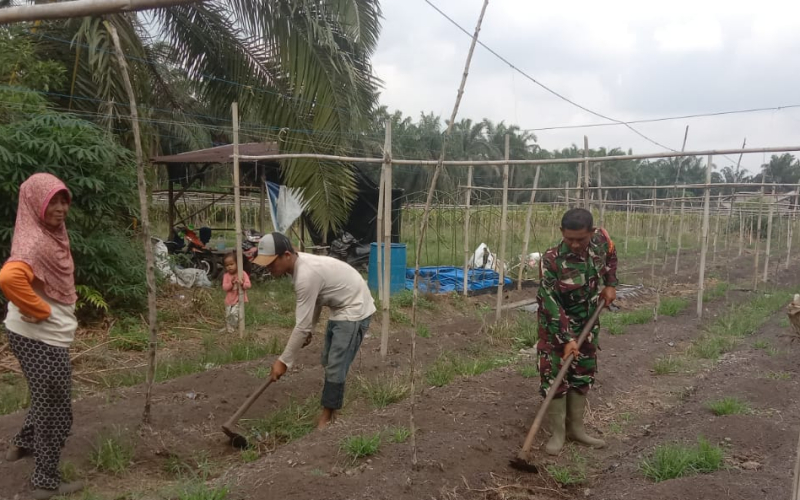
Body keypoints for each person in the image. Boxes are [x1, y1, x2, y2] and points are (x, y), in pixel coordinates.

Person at [0, 173, 85, 499]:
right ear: (36, 203)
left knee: (46, 395)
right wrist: (40, 310)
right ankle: (45, 482)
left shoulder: (48, 234)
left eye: (64, 199)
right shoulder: (35, 241)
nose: (61, 207)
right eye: (54, 201)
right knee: (57, 409)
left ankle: (21, 445)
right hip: (39, 336)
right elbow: (10, 277)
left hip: (41, 335)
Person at [253, 232, 375, 429]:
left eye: (271, 262)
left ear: (286, 255)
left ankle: (327, 419)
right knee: (328, 360)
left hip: (355, 308)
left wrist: (283, 361)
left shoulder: (305, 275)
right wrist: (311, 328)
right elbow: (316, 300)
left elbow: (300, 326)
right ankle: (333, 410)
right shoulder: (298, 268)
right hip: (341, 305)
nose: (268, 267)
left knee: (336, 364)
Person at [536, 208, 617, 456]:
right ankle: (558, 433)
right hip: (556, 325)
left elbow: (612, 257)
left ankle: (576, 429)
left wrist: (611, 284)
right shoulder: (551, 259)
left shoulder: (602, 242)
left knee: (582, 372)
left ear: (591, 233)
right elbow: (548, 300)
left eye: (580, 239)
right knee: (555, 376)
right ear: (562, 232)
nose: (574, 244)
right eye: (569, 238)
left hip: (588, 321)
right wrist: (567, 338)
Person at [221, 253, 251, 334]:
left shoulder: (242, 274)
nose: (229, 267)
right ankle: (229, 328)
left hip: (239, 300)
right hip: (229, 301)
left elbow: (248, 285)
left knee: (234, 313)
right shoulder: (226, 276)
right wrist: (231, 283)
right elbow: (224, 287)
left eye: (231, 264)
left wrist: (242, 284)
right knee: (228, 315)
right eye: (227, 265)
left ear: (237, 264)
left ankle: (233, 329)